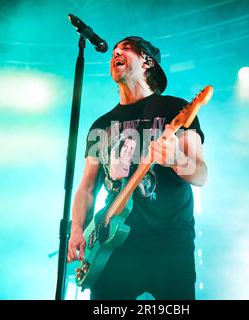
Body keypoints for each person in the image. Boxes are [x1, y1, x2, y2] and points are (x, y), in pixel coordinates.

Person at [67, 36, 207, 300]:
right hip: (112, 247)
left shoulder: (176, 109)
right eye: (113, 52)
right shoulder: (101, 125)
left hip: (169, 243)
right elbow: (86, 188)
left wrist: (176, 158)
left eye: (125, 49)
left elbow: (201, 174)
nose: (114, 53)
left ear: (147, 61)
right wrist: (77, 228)